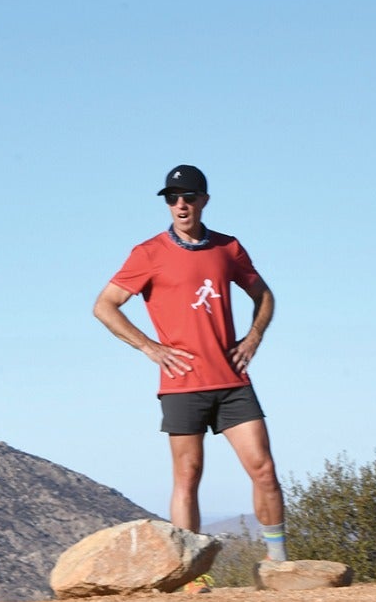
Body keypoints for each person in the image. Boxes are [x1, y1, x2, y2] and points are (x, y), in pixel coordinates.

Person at [92, 165, 289, 563]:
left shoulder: (228, 248)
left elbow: (263, 294)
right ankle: (192, 576)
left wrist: (253, 337)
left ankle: (278, 564)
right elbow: (104, 306)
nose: (180, 205)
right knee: (187, 477)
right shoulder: (147, 254)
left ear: (204, 201)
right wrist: (149, 347)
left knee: (263, 469)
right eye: (172, 198)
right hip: (182, 384)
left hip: (232, 381)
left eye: (188, 197)